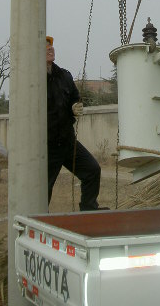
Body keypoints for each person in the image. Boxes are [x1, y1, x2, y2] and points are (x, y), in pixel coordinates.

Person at [46, 35, 102, 211]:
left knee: (92, 170)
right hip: (47, 145)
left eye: (51, 45)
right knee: (43, 188)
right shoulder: (32, 80)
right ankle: (37, 219)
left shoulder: (64, 76)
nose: (50, 48)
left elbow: (75, 98)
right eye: (45, 46)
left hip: (67, 141)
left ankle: (89, 211)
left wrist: (75, 106)